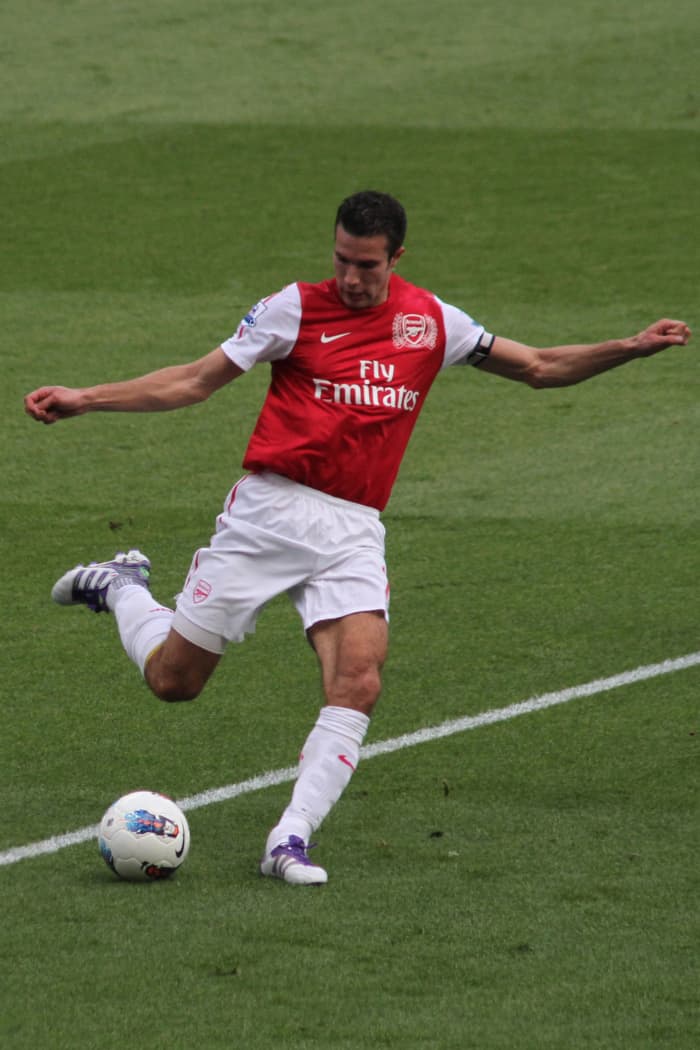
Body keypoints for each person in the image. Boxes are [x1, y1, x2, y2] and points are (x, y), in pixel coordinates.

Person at [24, 190, 691, 885]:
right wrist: (86, 398)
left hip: (353, 528)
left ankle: (289, 839)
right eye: (341, 259)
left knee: (359, 680)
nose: (349, 277)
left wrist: (630, 347)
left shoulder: (432, 323)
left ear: (396, 257)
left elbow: (540, 367)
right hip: (270, 514)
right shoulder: (293, 308)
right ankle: (121, 585)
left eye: (366, 265)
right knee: (174, 682)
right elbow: (195, 380)